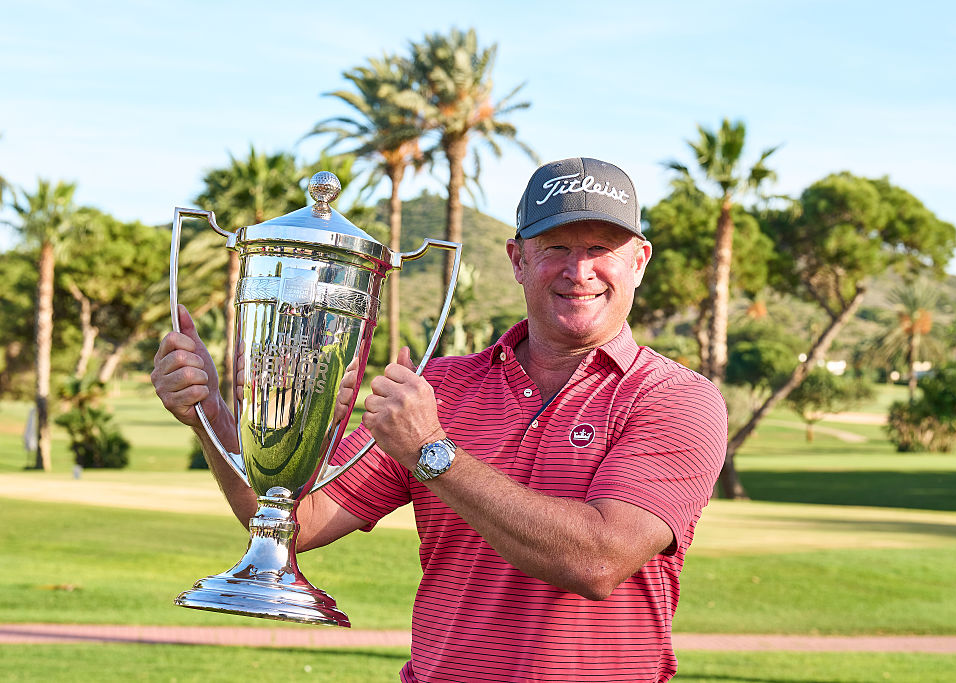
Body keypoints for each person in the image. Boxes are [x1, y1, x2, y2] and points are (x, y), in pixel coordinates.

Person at [152, 156, 727, 682]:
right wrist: (209, 414)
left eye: (601, 247)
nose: (579, 270)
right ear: (517, 259)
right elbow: (295, 519)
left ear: (639, 261)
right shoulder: (442, 388)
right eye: (555, 247)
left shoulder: (676, 399)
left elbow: (598, 560)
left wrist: (432, 450)